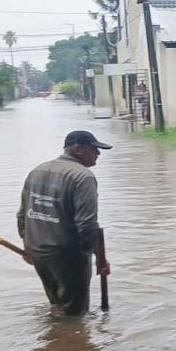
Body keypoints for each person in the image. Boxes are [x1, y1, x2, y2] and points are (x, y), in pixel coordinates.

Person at [17, 130, 112, 317]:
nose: (98, 154)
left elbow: (22, 215)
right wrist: (98, 258)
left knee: (58, 304)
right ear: (78, 150)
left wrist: (28, 246)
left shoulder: (37, 170)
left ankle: (56, 339)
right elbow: (87, 225)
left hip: (38, 251)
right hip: (67, 255)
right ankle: (71, 342)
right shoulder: (83, 177)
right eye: (94, 149)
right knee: (75, 313)